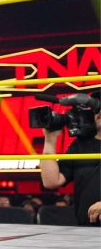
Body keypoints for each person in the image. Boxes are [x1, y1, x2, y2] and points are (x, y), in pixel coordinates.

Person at [40, 94, 101, 226]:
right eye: (96, 109)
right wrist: (50, 141)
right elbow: (51, 181)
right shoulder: (80, 145)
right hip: (86, 228)